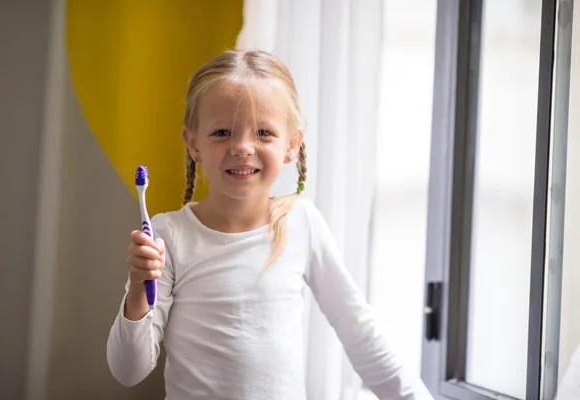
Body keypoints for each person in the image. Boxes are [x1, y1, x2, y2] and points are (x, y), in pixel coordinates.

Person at [106, 49, 433, 400]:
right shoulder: (168, 236)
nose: (243, 147)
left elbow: (360, 332)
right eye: (221, 132)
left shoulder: (302, 224)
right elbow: (128, 371)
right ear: (193, 144)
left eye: (263, 132)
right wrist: (139, 289)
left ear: (292, 145)